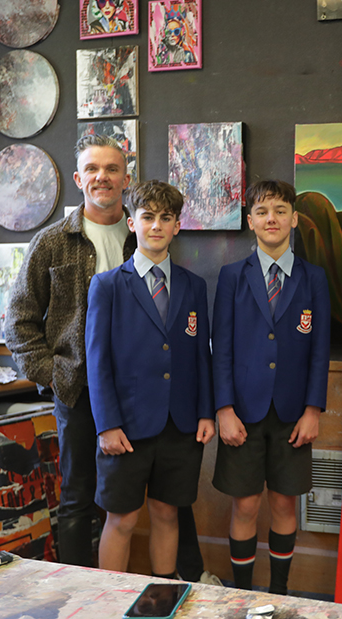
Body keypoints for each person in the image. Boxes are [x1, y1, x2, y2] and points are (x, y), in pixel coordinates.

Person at [6, 135, 216, 583]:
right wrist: (57, 375)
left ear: (126, 178)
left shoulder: (140, 233)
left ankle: (178, 585)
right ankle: (88, 595)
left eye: (113, 168)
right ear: (80, 178)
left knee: (167, 505)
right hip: (81, 394)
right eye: (93, 169)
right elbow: (19, 324)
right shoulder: (52, 243)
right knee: (83, 499)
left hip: (153, 400)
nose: (103, 176)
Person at [85, 180, 215, 577]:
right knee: (121, 520)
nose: (156, 226)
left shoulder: (194, 286)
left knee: (166, 513)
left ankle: (163, 597)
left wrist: (207, 412)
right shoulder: (107, 285)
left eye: (166, 218)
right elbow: (97, 361)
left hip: (180, 424)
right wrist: (106, 425)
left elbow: (200, 356)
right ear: (132, 223)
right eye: (147, 217)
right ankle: (108, 602)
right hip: (125, 428)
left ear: (177, 226)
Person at [212, 180, 331, 594]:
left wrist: (314, 409)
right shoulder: (231, 277)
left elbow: (320, 347)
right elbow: (221, 348)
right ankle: (243, 593)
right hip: (242, 413)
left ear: (294, 219)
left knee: (283, 502)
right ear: (251, 222)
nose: (272, 219)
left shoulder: (314, 279)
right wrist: (223, 408)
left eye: (281, 210)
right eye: (263, 212)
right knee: (245, 504)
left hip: (293, 414)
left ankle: (279, 592)